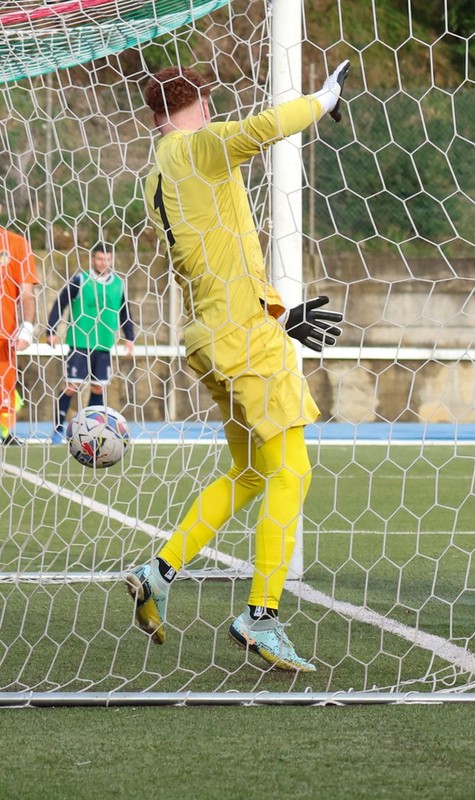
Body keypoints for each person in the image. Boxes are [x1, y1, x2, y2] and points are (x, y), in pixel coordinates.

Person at [125, 62, 349, 672]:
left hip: (209, 334)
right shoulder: (198, 145)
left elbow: (218, 251)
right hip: (243, 339)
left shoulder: (155, 176)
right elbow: (262, 128)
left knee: (250, 472)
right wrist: (322, 99)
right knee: (292, 473)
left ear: (154, 115)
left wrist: (277, 311)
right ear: (200, 106)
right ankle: (261, 615)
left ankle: (159, 570)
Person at [46, 242, 135, 443]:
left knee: (98, 388)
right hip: (80, 341)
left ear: (112, 260)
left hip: (104, 343)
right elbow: (61, 302)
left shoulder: (119, 284)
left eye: (107, 259)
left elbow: (125, 312)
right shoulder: (80, 280)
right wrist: (51, 330)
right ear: (93, 259)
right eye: (100, 259)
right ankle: (58, 429)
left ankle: (91, 430)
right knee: (71, 385)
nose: (104, 263)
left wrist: (129, 337)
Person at [0, 204, 39, 445]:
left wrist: (27, 327)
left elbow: (26, 293)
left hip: (3, 338)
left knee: (5, 390)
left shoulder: (15, 244)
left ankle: (4, 434)